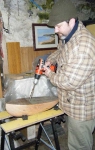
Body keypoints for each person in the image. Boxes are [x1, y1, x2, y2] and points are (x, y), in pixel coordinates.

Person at [43, 0, 95, 150]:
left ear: (71, 21)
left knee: (79, 146)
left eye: (58, 26)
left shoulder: (83, 47)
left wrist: (49, 73)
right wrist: (50, 60)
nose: (55, 30)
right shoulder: (68, 36)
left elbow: (68, 82)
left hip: (81, 109)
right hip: (70, 103)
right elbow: (60, 51)